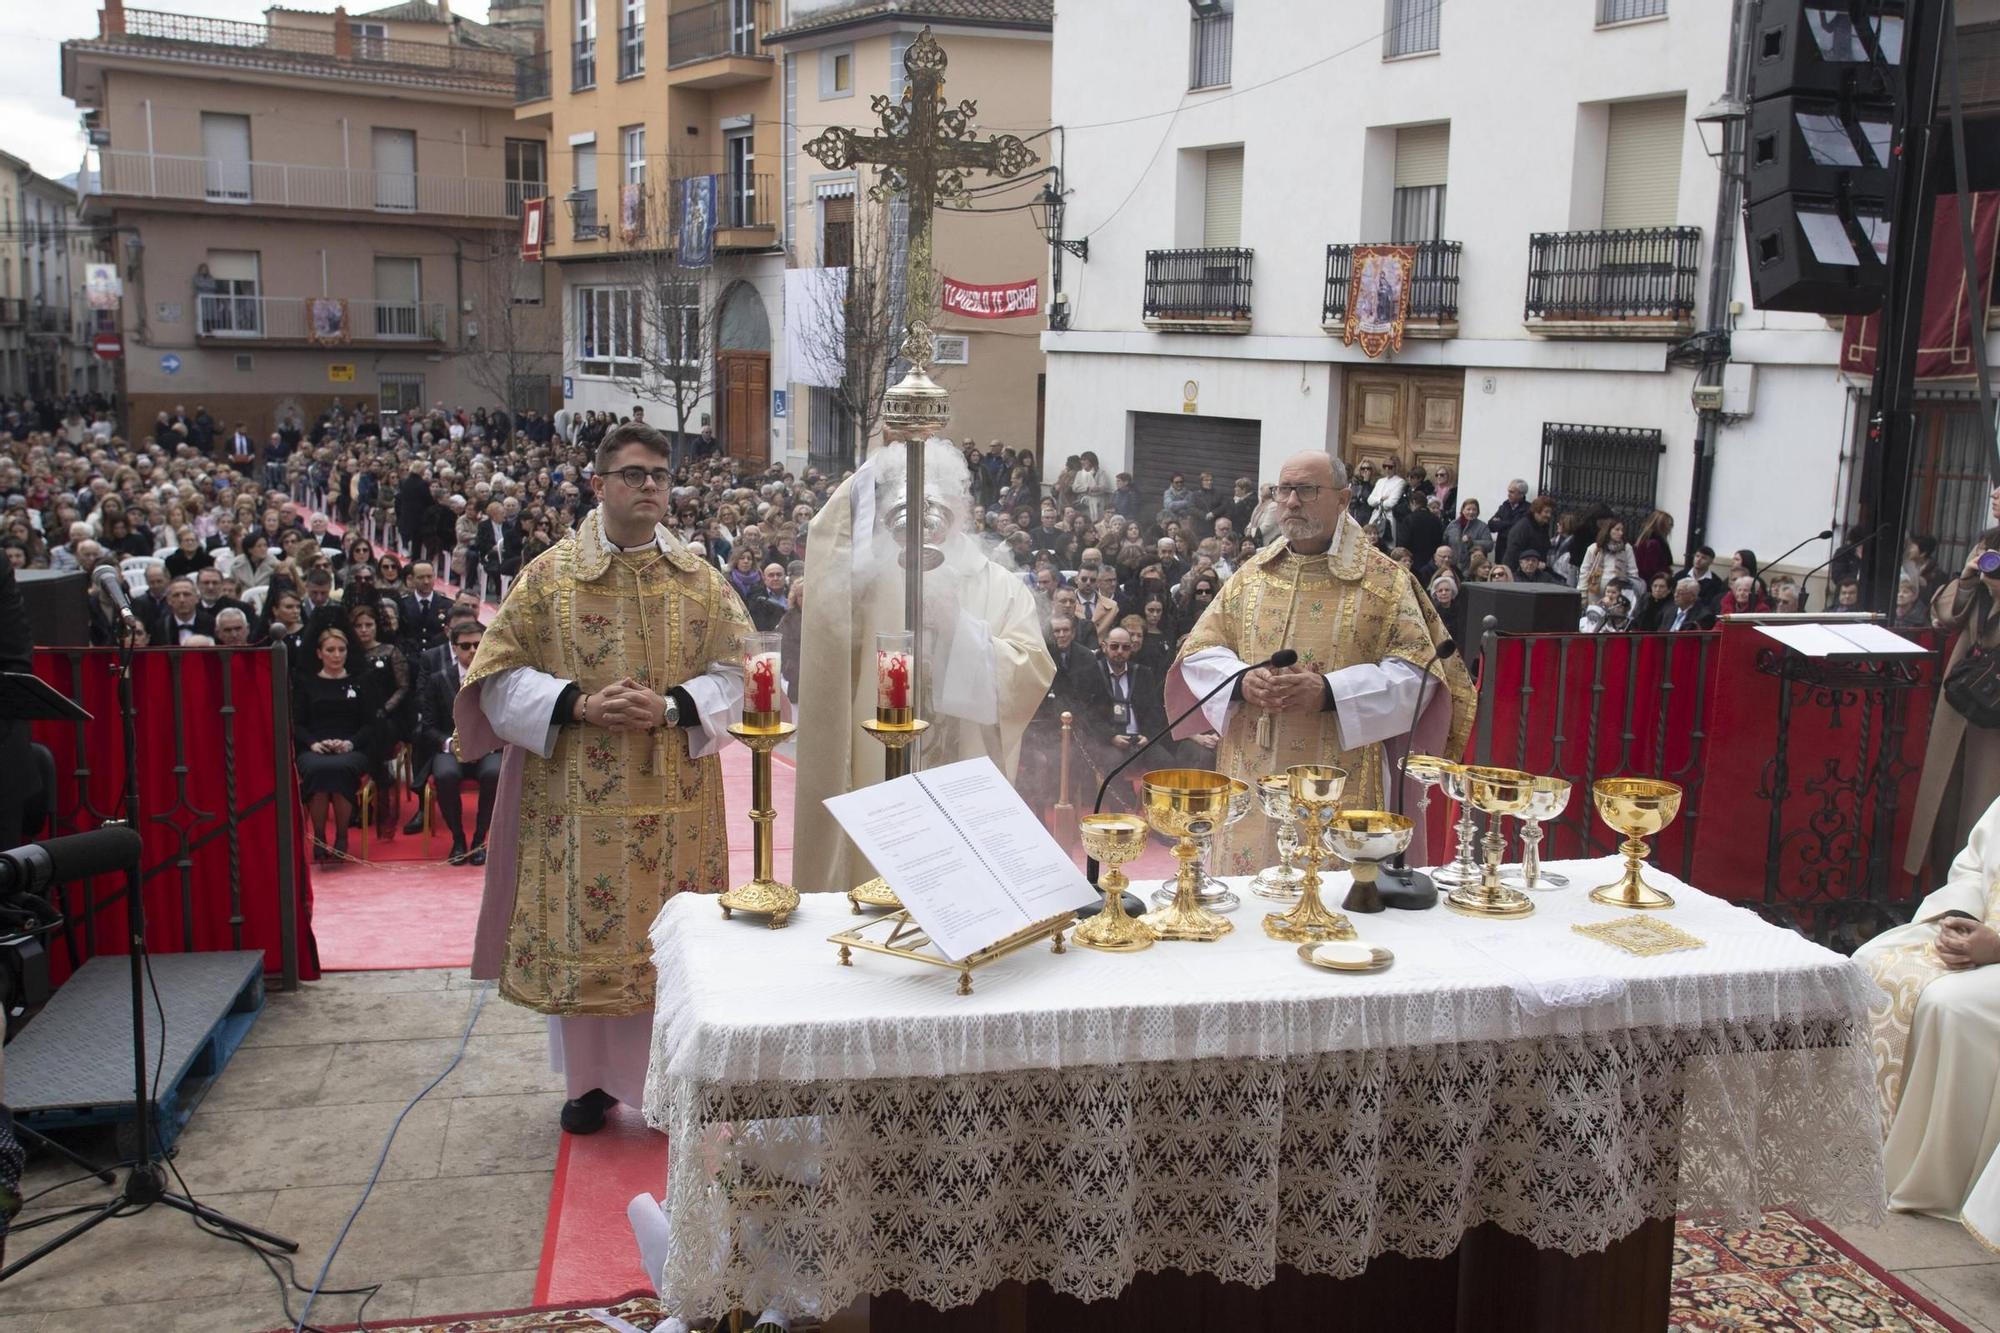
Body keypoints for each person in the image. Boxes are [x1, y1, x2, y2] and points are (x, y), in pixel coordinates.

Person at [454, 420, 752, 1137]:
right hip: (573, 806)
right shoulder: (549, 579)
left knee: (668, 943)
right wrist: (578, 703)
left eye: (659, 474)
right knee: (583, 931)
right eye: (633, 473)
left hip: (673, 803)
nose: (649, 485)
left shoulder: (702, 584)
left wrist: (674, 705)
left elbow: (743, 676)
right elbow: (493, 681)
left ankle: (672, 1078)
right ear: (598, 484)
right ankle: (590, 1084)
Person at [1168, 451, 1474, 874]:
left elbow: (1419, 674)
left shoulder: (1385, 581)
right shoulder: (1251, 575)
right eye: (1284, 490)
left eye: (1307, 490)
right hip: (1251, 766)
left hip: (1343, 774)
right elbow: (1201, 651)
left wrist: (1332, 692)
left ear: (1344, 498)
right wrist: (1241, 681)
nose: (1292, 501)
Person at [794, 440, 1055, 892]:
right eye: (912, 506)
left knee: (962, 894)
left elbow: (1029, 674)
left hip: (964, 777)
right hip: (881, 775)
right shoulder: (870, 584)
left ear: (966, 510)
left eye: (941, 504)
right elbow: (828, 553)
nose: (926, 521)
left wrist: (959, 629)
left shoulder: (1002, 587)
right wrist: (888, 455)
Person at [1854, 794, 2000, 1250]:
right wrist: (1962, 919)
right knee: (1870, 961)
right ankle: (1864, 1140)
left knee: (1947, 1003)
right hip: (1984, 933)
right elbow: (1974, 866)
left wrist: (1996, 947)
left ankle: (1933, 1176)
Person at [1907, 531, 2000, 880]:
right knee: (1947, 794)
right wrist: (1968, 579)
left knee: (1985, 796)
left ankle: (1978, 890)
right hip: (1962, 693)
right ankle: (1941, 884)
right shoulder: (1986, 549)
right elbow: (1947, 616)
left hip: (1994, 709)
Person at [419, 620, 501, 865]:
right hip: (449, 748)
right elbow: (427, 726)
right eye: (466, 645)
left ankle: (479, 840)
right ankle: (457, 839)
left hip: (488, 748)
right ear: (454, 648)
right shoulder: (438, 679)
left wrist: (484, 743)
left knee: (495, 772)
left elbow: (504, 720)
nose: (473, 650)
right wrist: (450, 745)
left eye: (478, 644)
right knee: (445, 775)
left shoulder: (496, 678)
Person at [294, 626, 378, 862]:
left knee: (340, 769)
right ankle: (320, 837)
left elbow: (369, 724)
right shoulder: (306, 683)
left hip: (351, 748)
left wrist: (350, 743)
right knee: (318, 770)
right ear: (319, 653)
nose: (336, 654)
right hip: (315, 748)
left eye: (341, 649)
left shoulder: (360, 682)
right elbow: (297, 724)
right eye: (330, 650)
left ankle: (342, 836)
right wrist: (312, 743)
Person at [1578, 519, 1640, 600]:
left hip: (1618, 590)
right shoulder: (1595, 548)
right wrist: (1583, 592)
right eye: (1617, 529)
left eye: (1622, 530)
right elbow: (1585, 570)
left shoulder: (1626, 548)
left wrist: (1632, 591)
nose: (1621, 533)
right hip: (1595, 590)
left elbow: (1633, 571)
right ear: (1608, 531)